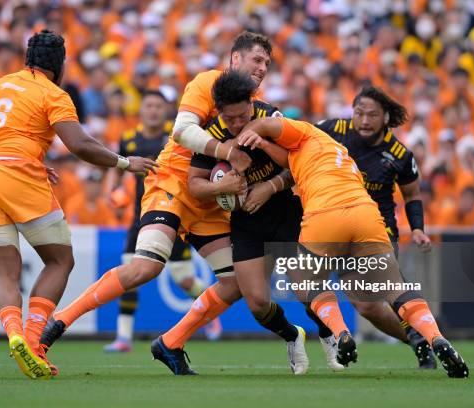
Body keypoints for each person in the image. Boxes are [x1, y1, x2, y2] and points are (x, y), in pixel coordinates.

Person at [39, 31, 310, 376]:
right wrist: (228, 152)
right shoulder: (208, 82)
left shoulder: (256, 104)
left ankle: (171, 343)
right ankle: (59, 323)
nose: (262, 68)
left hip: (211, 199)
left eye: (268, 64)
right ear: (235, 58)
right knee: (146, 266)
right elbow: (182, 130)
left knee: (235, 283)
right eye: (257, 60)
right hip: (172, 183)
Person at [0, 30, 155, 380]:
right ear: (60, 65)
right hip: (16, 176)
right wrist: (126, 163)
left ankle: (14, 334)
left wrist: (26, 151)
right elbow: (79, 145)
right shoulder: (54, 94)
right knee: (59, 259)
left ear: (27, 59)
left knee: (5, 273)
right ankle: (34, 342)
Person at [236, 115, 469, 378]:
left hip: (325, 215)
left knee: (309, 285)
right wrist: (266, 146)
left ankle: (341, 332)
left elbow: (274, 131)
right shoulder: (337, 152)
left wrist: (253, 139)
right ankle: (435, 337)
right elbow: (288, 159)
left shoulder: (305, 133)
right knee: (395, 286)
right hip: (365, 213)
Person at [153, 70, 346, 376]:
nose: (237, 124)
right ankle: (292, 335)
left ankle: (328, 334)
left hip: (286, 212)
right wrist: (221, 187)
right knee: (257, 302)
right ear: (218, 112)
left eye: (243, 116)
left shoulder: (271, 117)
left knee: (306, 288)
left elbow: (299, 165)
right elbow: (195, 184)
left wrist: (269, 185)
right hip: (245, 222)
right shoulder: (212, 134)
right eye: (230, 119)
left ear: (251, 104)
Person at [314, 86, 436, 369]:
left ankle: (433, 336)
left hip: (378, 231)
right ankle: (417, 339)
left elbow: (412, 194)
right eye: (359, 113)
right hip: (339, 230)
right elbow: (300, 141)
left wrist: (417, 228)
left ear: (385, 118)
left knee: (392, 291)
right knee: (367, 306)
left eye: (372, 115)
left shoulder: (399, 154)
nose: (364, 120)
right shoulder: (333, 129)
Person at [104, 90, 221, 353]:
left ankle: (212, 316)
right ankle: (123, 338)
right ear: (141, 109)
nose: (153, 110)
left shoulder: (176, 135)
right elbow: (117, 168)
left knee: (184, 281)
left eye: (158, 106)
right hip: (139, 218)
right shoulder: (129, 140)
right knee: (128, 275)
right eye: (149, 105)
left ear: (166, 110)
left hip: (173, 217)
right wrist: (111, 191)